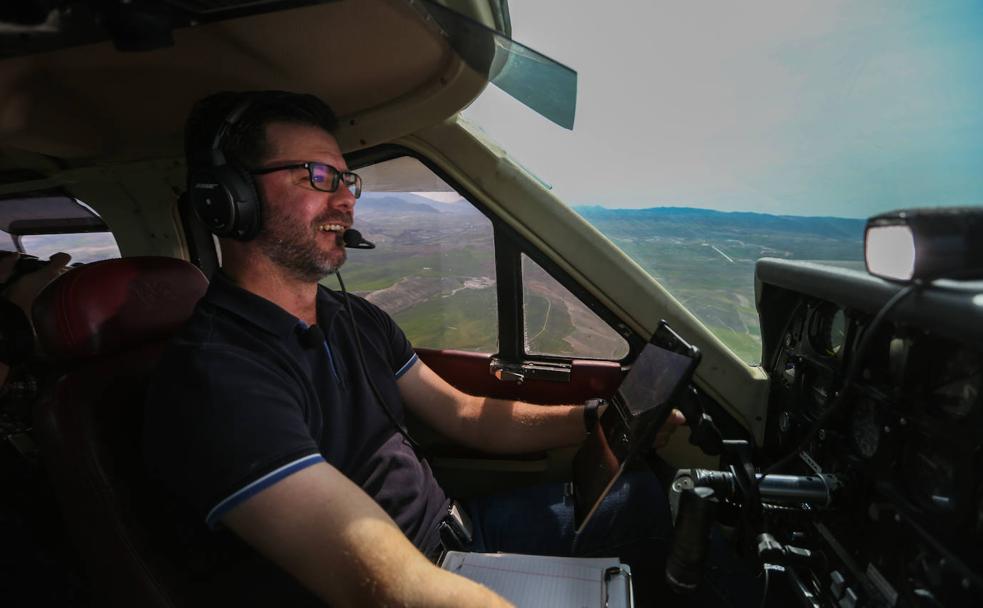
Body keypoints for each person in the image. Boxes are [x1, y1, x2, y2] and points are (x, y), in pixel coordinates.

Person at [143, 91, 684, 607]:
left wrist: (599, 421)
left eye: (347, 180)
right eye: (319, 175)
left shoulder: (355, 318)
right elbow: (384, 587)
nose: (346, 200)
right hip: (409, 579)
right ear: (230, 199)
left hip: (461, 533)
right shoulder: (215, 374)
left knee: (649, 500)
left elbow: (465, 414)